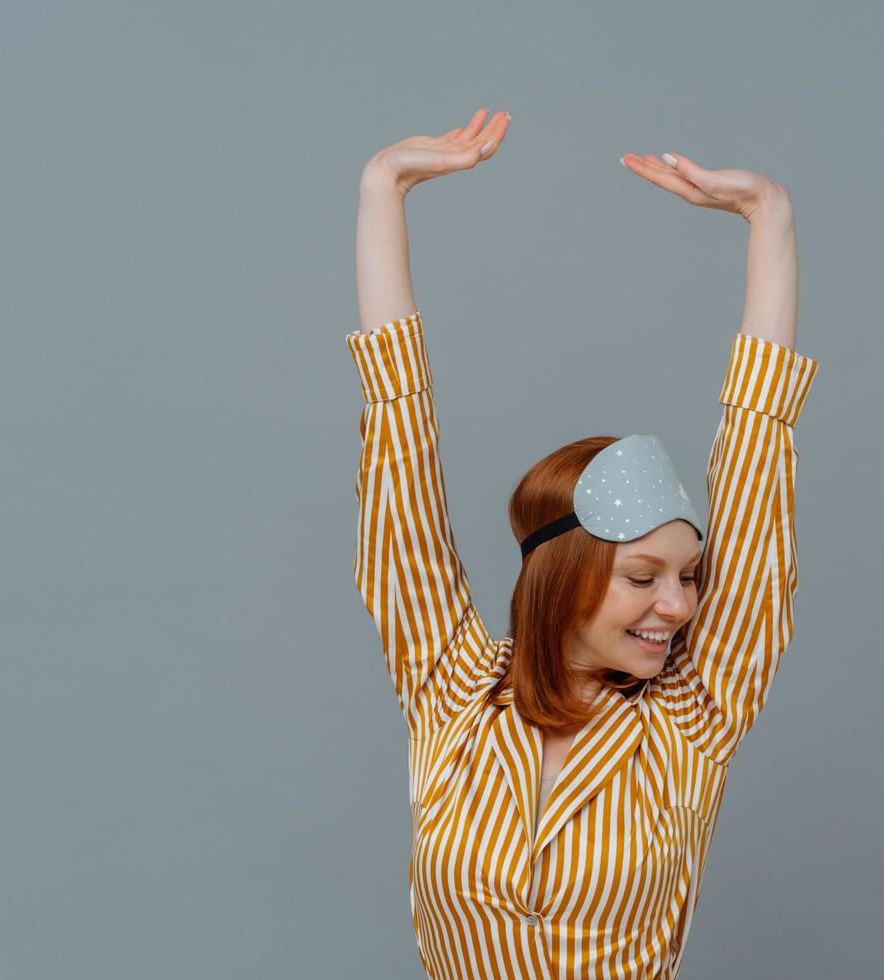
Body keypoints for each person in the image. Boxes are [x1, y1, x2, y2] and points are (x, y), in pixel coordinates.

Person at [345, 106, 820, 979]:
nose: (677, 606)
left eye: (688, 576)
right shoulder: (450, 689)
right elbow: (399, 467)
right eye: (643, 577)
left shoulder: (689, 720)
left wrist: (769, 218)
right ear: (563, 574)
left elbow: (758, 469)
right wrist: (384, 191)